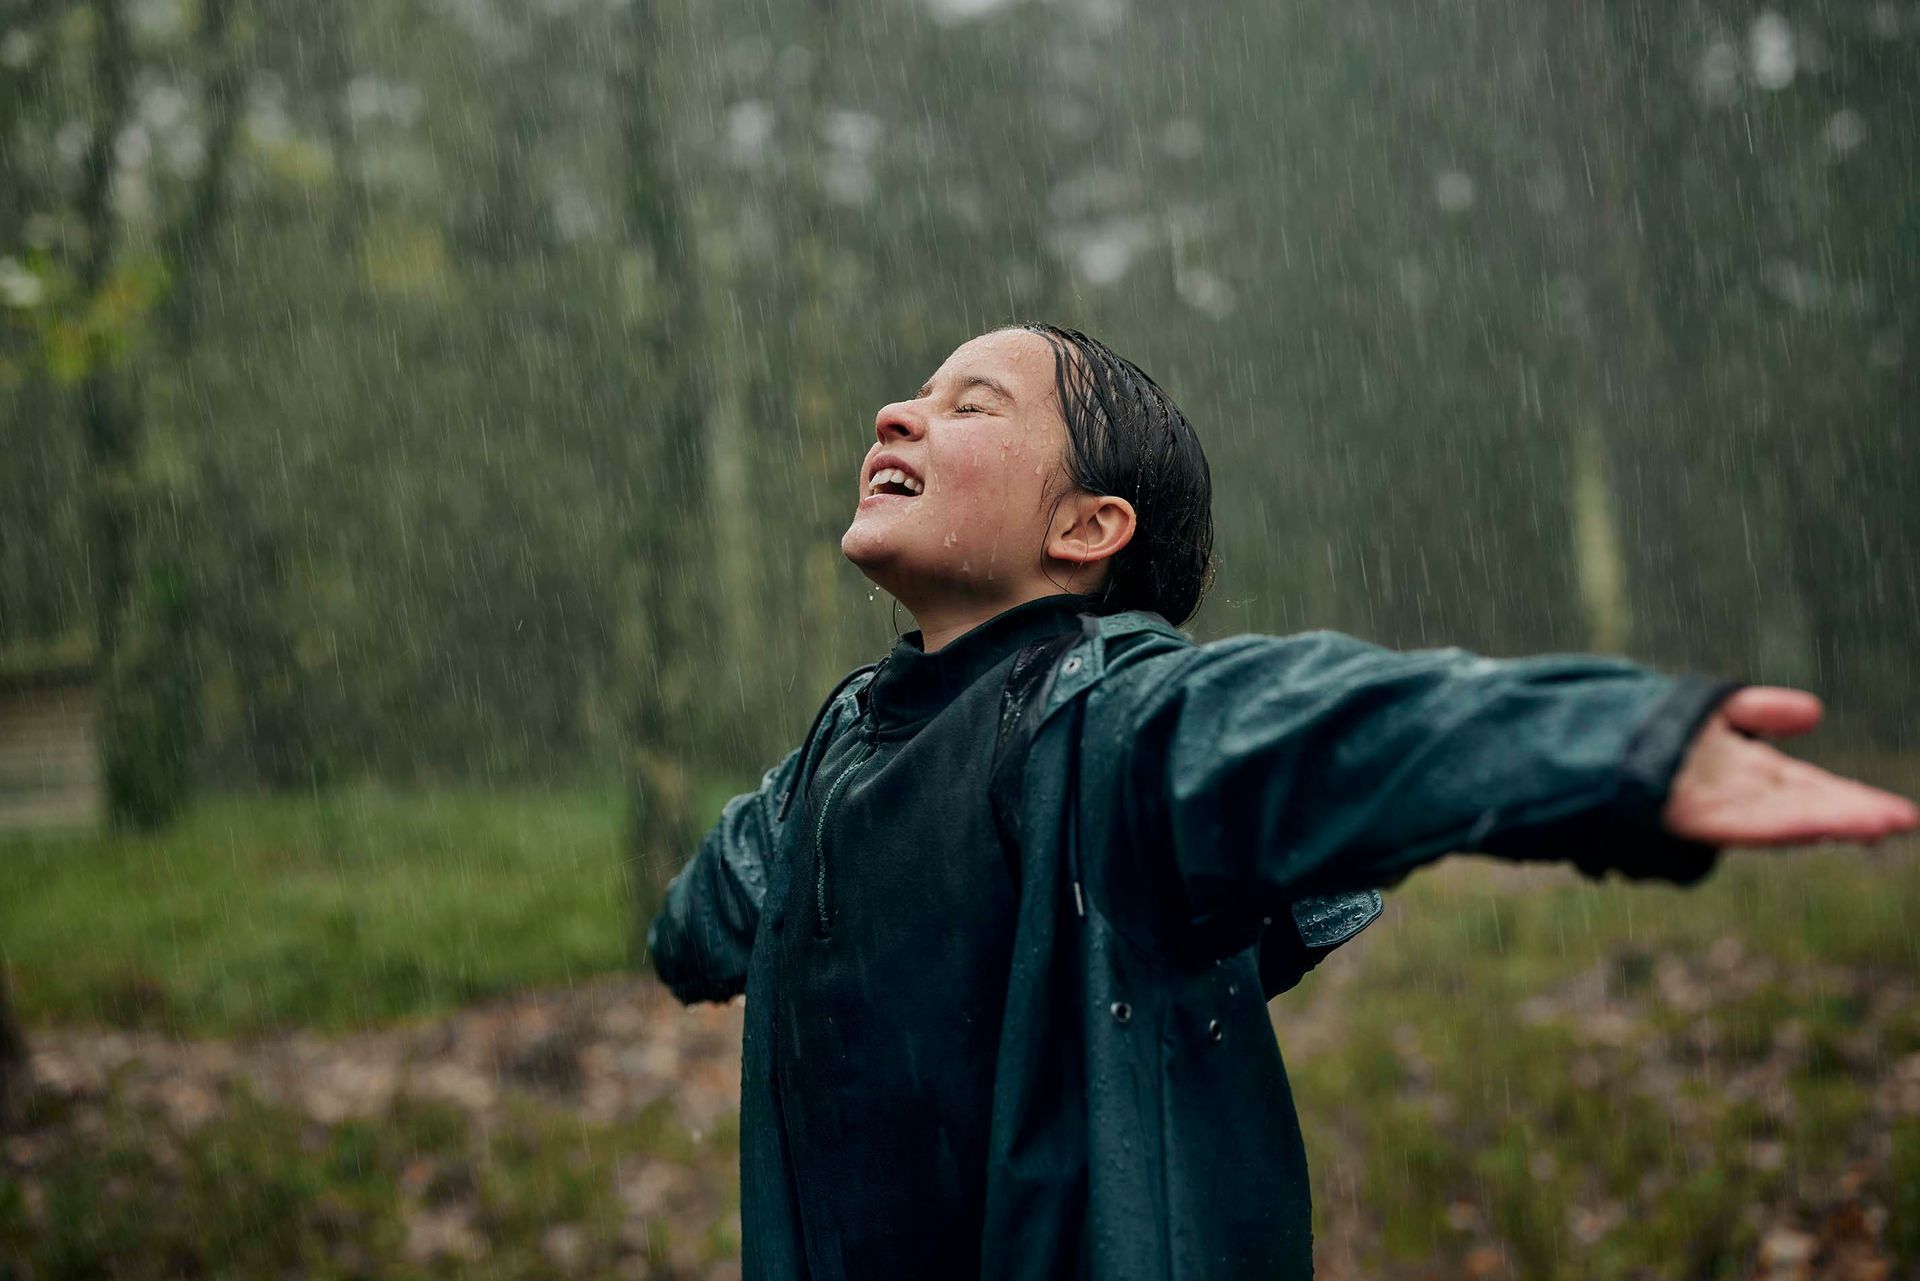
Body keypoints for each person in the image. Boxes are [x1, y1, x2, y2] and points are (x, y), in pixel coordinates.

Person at [646, 324, 1917, 1281]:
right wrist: (696, 925)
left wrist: (1613, 750)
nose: (898, 414)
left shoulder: (1109, 720)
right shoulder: (836, 751)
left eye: (969, 405)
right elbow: (707, 914)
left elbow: (1318, 721)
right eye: (913, 396)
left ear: (1088, 526)